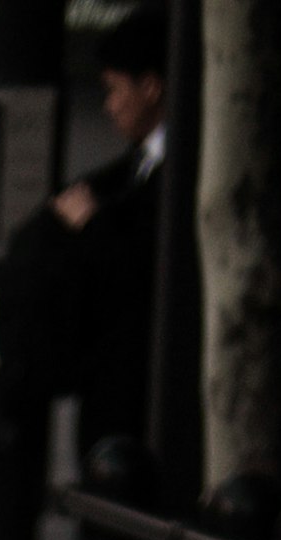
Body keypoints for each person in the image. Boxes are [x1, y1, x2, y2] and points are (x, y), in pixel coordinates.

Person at [45, 6, 168, 452]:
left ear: (151, 87)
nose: (110, 104)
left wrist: (92, 225)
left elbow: (141, 262)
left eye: (115, 89)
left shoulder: (164, 175)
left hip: (139, 395)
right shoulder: (132, 169)